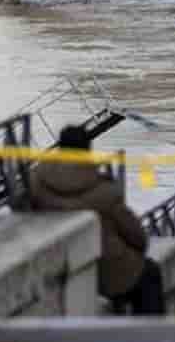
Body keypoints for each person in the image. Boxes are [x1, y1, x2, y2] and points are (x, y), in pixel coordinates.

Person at [29, 125, 165, 314]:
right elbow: (137, 236)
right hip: (106, 270)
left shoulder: (37, 182)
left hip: (53, 263)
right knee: (150, 274)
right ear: (88, 150)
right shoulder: (103, 189)